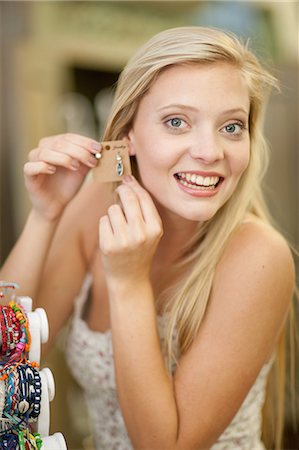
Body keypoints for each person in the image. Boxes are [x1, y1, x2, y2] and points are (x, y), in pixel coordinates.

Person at [0, 26, 296, 450]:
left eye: (231, 127)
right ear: (128, 136)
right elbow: (7, 352)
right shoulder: (93, 211)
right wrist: (46, 217)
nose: (210, 152)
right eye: (177, 122)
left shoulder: (258, 257)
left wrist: (127, 282)